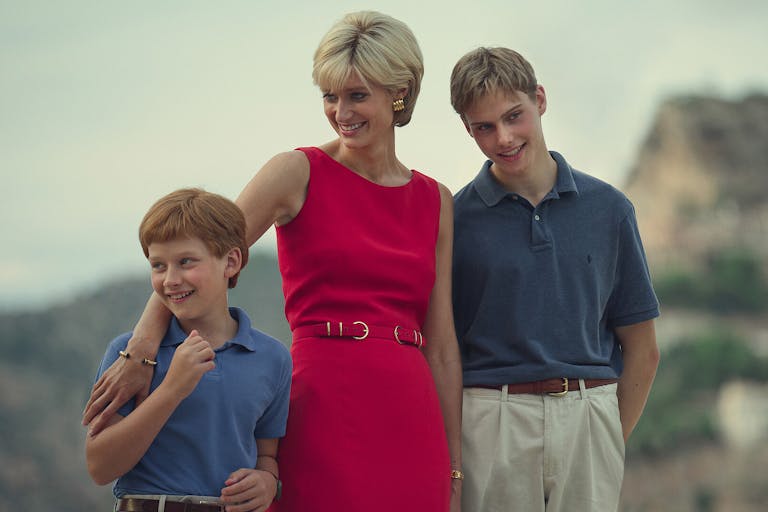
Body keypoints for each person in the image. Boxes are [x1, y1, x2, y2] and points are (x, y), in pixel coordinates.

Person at [83, 11, 463, 512]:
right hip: (324, 401)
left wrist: (455, 466)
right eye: (330, 96)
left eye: (357, 95)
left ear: (399, 94)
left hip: (410, 413)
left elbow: (440, 345)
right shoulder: (296, 171)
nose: (340, 112)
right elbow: (199, 262)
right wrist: (142, 351)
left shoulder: (437, 199)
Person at [449, 47, 660, 511]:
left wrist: (605, 438)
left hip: (590, 414)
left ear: (539, 100)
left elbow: (642, 348)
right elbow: (445, 349)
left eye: (513, 116)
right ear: (467, 128)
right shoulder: (453, 219)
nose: (503, 138)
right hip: (491, 420)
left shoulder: (609, 209)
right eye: (484, 127)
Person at [86, 188, 292, 512]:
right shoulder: (129, 356)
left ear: (231, 262)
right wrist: (171, 389)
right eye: (158, 265)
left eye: (185, 262)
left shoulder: (272, 359)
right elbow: (100, 466)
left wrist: (267, 480)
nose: (170, 279)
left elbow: (267, 453)